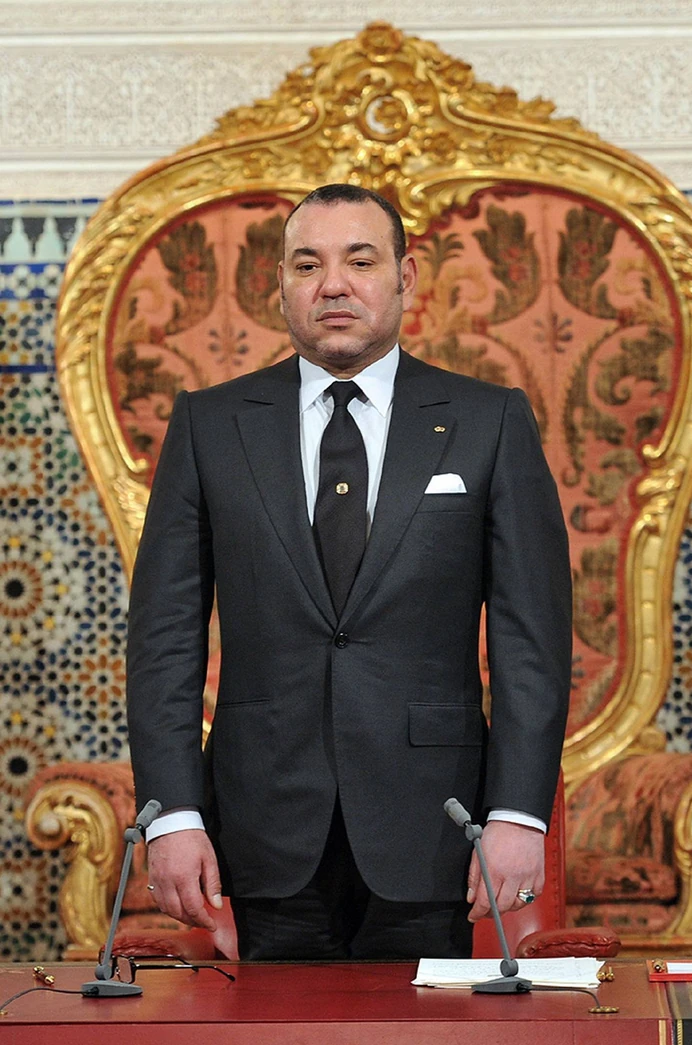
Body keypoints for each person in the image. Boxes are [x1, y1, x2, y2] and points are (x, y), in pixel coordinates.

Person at [126, 183, 572, 960]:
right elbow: (164, 638)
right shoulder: (210, 423)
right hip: (262, 826)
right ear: (281, 285)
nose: (333, 284)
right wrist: (173, 814)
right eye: (308, 265)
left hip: (435, 823)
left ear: (405, 277)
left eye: (360, 261)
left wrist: (518, 813)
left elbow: (530, 637)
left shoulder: (489, 419)